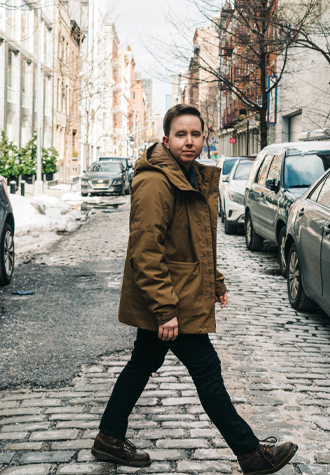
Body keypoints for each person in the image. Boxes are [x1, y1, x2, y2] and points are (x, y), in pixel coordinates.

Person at [92, 104, 298, 474]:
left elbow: (194, 242)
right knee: (207, 369)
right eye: (181, 134)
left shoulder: (188, 176)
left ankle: (108, 437)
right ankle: (250, 453)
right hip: (171, 299)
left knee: (142, 363)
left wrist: (214, 281)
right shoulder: (156, 181)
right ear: (166, 139)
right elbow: (146, 249)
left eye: (195, 134)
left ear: (205, 137)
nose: (189, 141)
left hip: (180, 292)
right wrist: (164, 309)